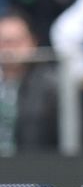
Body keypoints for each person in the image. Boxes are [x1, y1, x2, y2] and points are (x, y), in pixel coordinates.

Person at [0, 10, 57, 155]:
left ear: (33, 42)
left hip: (35, 165)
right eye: (4, 42)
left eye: (17, 42)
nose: (9, 50)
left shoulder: (53, 88)